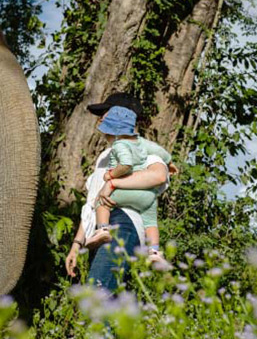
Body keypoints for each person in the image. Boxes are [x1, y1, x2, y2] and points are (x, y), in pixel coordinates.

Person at [64, 93, 177, 291]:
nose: (100, 119)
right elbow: (92, 204)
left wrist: (114, 183)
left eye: (105, 114)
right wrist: (77, 243)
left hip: (124, 223)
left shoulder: (141, 148)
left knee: (97, 295)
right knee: (108, 300)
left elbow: (158, 176)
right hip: (101, 230)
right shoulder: (104, 157)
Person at [85, 106, 172, 254]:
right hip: (147, 197)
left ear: (114, 133)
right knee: (150, 223)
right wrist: (169, 162)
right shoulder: (142, 143)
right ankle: (154, 252)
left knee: (100, 202)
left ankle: (103, 230)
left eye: (107, 134)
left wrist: (111, 176)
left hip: (124, 193)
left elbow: (126, 164)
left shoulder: (119, 145)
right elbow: (161, 152)